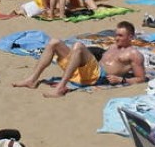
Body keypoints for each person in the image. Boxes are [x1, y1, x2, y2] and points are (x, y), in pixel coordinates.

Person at [12, 20, 146, 98]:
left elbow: (141, 78)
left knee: (79, 46)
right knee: (54, 42)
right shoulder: (112, 46)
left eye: (121, 36)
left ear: (131, 37)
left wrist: (122, 79)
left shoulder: (134, 54)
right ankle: (32, 79)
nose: (117, 38)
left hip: (98, 76)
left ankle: (60, 87)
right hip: (86, 71)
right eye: (116, 35)